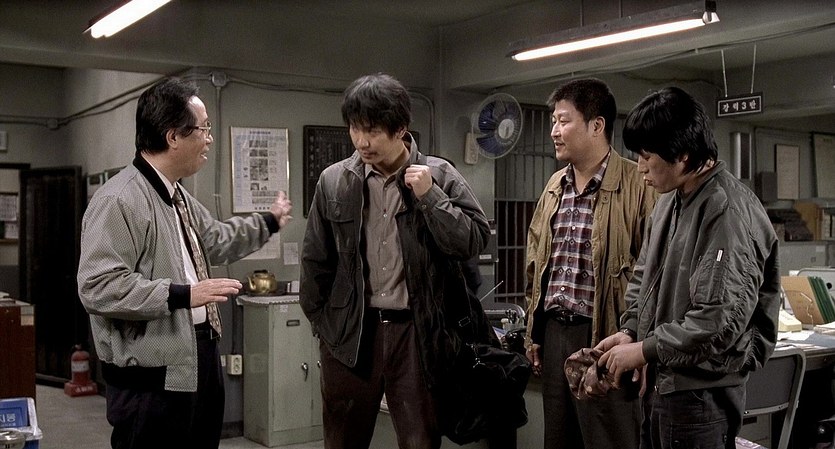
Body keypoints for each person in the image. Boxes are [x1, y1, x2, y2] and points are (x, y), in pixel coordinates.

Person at [77, 77, 293, 449]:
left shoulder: (176, 195)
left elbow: (216, 240)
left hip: (197, 359)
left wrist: (268, 222)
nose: (209, 139)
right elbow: (98, 287)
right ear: (173, 136)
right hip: (150, 380)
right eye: (203, 129)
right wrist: (184, 295)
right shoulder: (120, 199)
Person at [299, 73, 490, 449]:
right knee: (342, 440)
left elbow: (473, 240)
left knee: (420, 440)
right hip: (352, 333)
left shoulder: (440, 175)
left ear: (400, 129)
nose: (361, 141)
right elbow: (315, 260)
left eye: (372, 131)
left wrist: (431, 196)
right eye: (355, 129)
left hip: (417, 333)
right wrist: (324, 325)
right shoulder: (335, 181)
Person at [595, 86, 780, 449]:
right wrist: (631, 331)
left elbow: (716, 323)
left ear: (682, 155)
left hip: (700, 396)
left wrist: (645, 350)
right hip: (664, 383)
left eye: (647, 156)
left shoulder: (726, 212)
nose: (640, 167)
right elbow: (644, 277)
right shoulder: (670, 201)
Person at [523, 78, 656, 449]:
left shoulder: (638, 184)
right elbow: (536, 264)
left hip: (607, 336)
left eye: (564, 121)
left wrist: (644, 344)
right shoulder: (554, 186)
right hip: (555, 334)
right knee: (558, 439)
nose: (554, 131)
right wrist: (534, 332)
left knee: (608, 438)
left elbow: (655, 272)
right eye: (553, 121)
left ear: (597, 125)